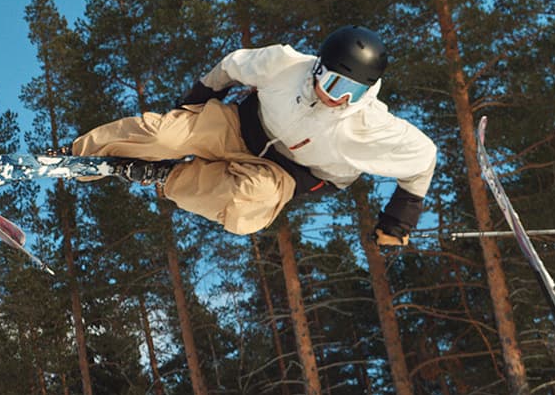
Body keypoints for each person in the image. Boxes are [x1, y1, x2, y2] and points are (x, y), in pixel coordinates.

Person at [66, 25, 436, 241]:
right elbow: (231, 66)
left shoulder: (371, 127)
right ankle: (74, 157)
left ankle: (167, 176)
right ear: (318, 67)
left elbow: (423, 158)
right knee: (163, 135)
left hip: (286, 173)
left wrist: (398, 220)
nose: (333, 96)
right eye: (330, 81)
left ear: (366, 91)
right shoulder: (286, 64)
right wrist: (195, 101)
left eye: (349, 92)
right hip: (240, 126)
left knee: (247, 208)